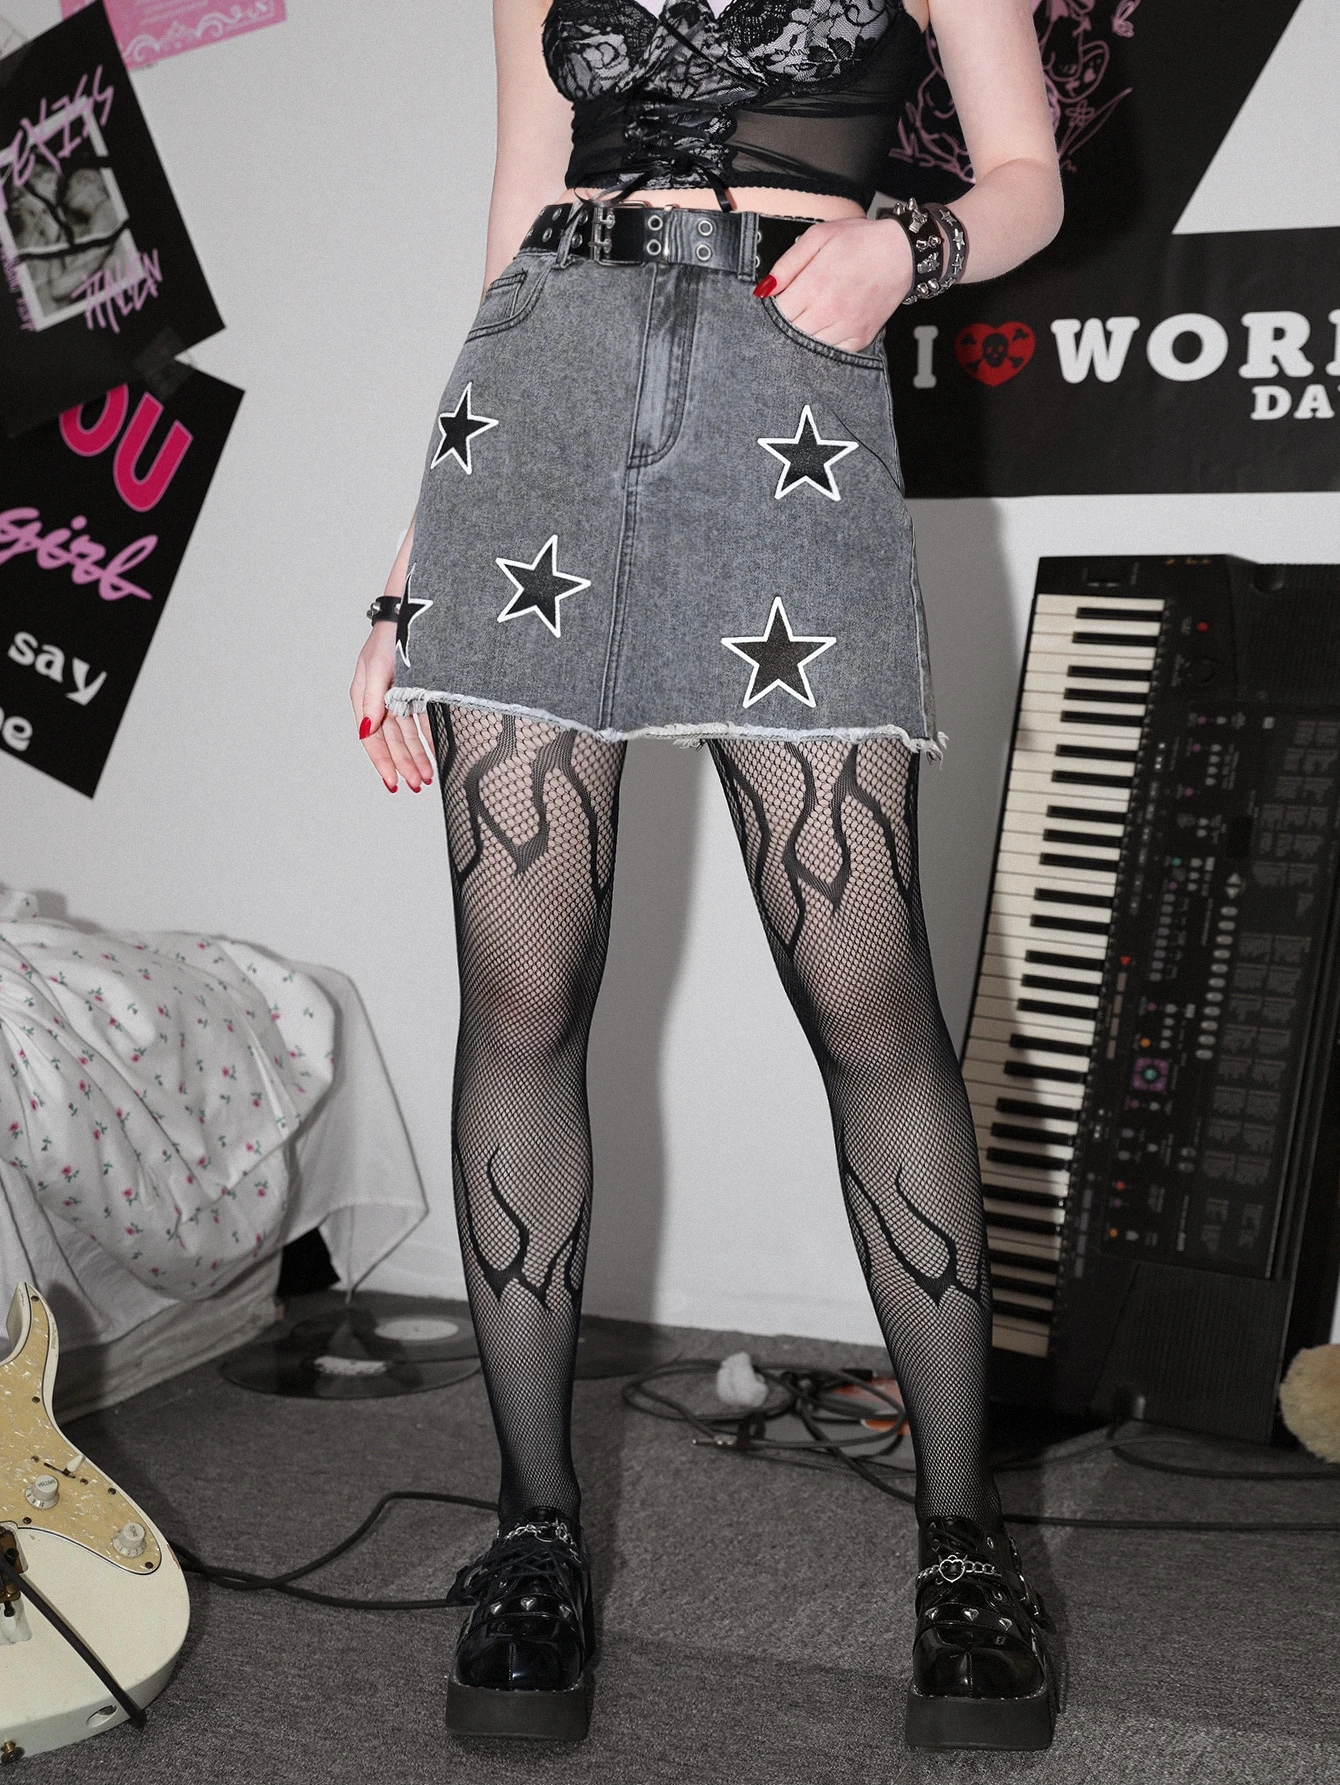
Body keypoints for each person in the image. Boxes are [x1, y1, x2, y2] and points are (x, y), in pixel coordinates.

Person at [350, 0, 1063, 1751]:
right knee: (522, 993)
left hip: (787, 392)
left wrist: (910, 247)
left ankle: (963, 1549)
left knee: (869, 999)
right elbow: (513, 220)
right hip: (542, 400)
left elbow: (1029, 175)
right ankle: (533, 1536)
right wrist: (407, 574)